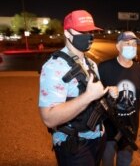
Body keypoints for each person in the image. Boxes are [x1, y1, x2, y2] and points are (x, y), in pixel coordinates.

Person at [38, 10, 115, 166]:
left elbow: (94, 99)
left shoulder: (91, 63)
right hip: (74, 145)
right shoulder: (54, 67)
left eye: (91, 31)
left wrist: (107, 96)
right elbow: (48, 118)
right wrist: (88, 97)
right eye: (83, 31)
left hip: (98, 138)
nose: (89, 36)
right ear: (67, 33)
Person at [98, 31, 140, 166]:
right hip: (108, 129)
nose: (132, 47)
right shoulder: (103, 68)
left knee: (125, 162)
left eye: (134, 44)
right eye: (127, 43)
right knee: (107, 162)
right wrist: (106, 94)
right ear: (118, 46)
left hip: (130, 130)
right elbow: (92, 97)